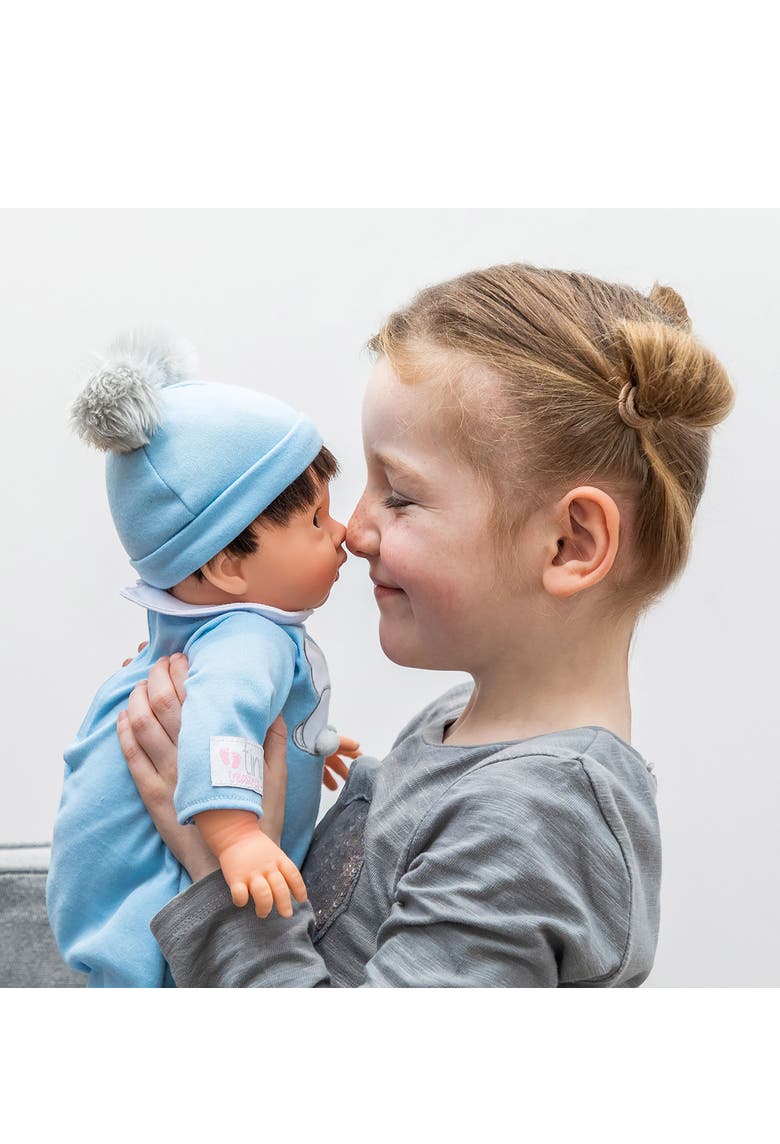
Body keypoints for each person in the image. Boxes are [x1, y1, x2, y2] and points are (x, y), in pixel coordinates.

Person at [117, 264, 735, 987]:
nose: (353, 530)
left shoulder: (531, 824)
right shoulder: (457, 724)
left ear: (570, 544)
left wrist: (217, 871)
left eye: (401, 496)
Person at [46, 333, 359, 987]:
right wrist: (238, 838)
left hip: (107, 897)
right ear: (225, 565)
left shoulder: (211, 626)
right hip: (156, 915)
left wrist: (308, 745)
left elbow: (238, 713)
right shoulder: (249, 638)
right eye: (316, 521)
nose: (345, 535)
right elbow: (219, 722)